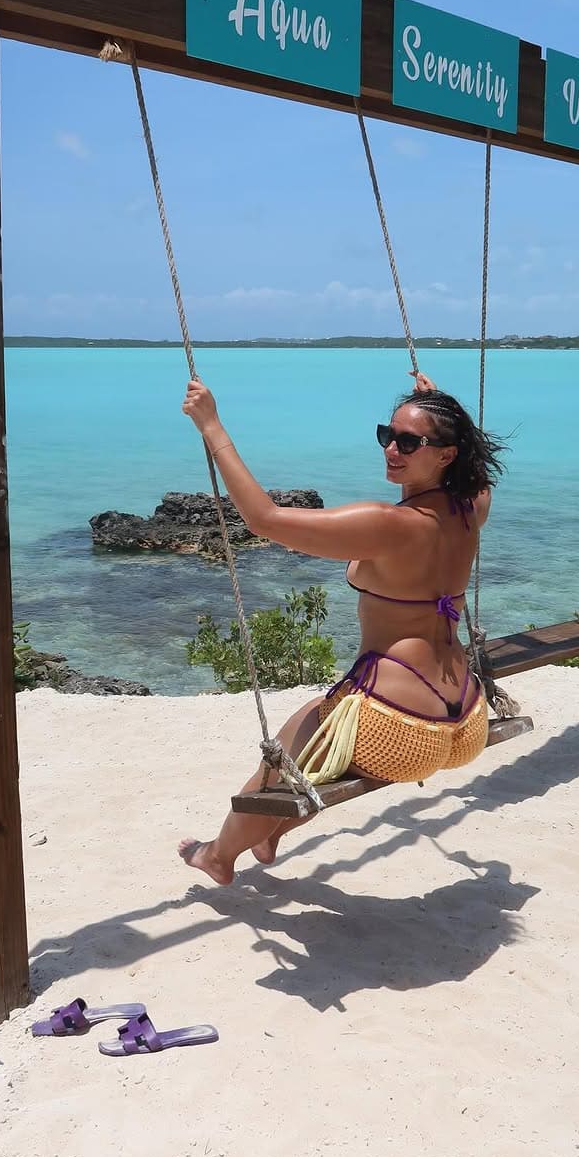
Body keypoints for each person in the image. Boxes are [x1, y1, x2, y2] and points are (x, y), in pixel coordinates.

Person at [177, 371, 505, 885]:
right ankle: (268, 835)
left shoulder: (389, 523)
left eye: (409, 442)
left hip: (400, 726)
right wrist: (439, 407)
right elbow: (479, 475)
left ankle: (217, 856)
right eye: (387, 435)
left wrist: (211, 425)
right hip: (466, 718)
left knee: (282, 762)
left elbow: (264, 519)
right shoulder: (471, 508)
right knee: (314, 744)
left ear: (446, 455)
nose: (392, 449)